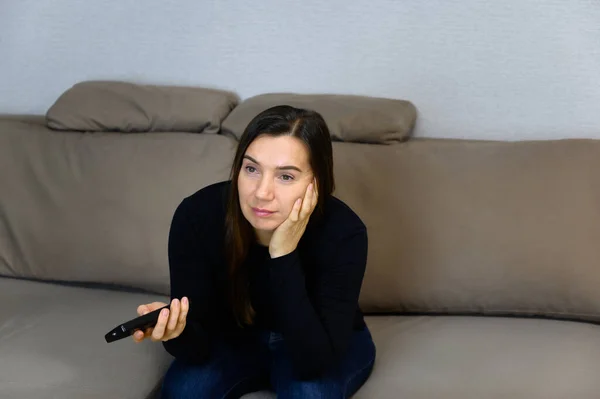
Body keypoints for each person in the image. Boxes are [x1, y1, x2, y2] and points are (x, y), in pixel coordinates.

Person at [134, 105, 376, 398]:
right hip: (234, 339)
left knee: (310, 394)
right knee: (184, 391)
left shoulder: (344, 233)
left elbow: (313, 363)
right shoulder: (197, 216)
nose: (261, 192)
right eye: (251, 169)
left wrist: (283, 255)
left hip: (317, 342)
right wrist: (176, 332)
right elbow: (197, 349)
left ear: (316, 184)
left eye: (285, 176)